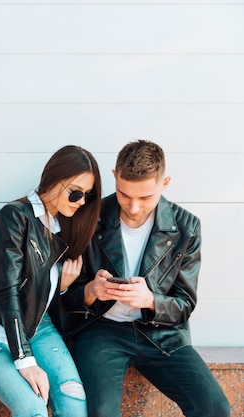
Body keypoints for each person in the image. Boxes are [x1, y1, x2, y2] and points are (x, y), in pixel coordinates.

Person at [61, 140, 231, 417]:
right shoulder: (89, 217)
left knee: (214, 408)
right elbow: (64, 294)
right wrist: (91, 291)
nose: (134, 207)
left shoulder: (186, 228)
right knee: (100, 413)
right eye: (124, 195)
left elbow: (184, 304)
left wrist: (150, 300)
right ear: (115, 175)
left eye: (145, 198)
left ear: (165, 183)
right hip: (102, 330)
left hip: (161, 334)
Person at [0, 145, 102, 417]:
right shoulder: (14, 218)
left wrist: (61, 287)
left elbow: (39, 288)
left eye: (86, 195)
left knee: (74, 401)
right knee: (33, 411)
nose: (82, 201)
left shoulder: (62, 227)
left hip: (39, 329)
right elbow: (7, 292)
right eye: (76, 192)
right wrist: (25, 360)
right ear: (54, 179)